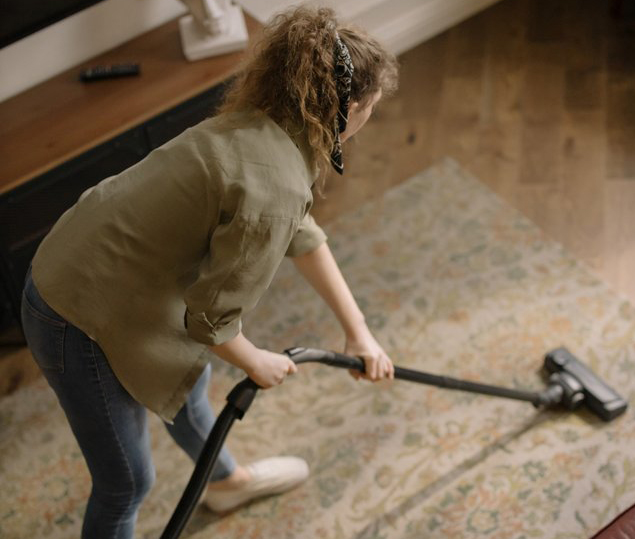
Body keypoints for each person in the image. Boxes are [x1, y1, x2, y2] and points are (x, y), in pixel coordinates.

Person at [20, 5, 399, 538]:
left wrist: (357, 330)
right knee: (125, 482)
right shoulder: (276, 184)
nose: (367, 121)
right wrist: (256, 361)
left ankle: (224, 483)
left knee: (189, 385)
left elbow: (302, 232)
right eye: (371, 110)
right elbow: (210, 320)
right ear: (352, 106)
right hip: (76, 312)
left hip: (104, 267)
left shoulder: (268, 128)